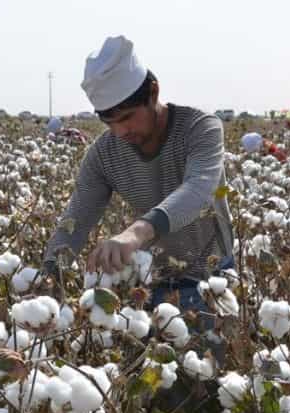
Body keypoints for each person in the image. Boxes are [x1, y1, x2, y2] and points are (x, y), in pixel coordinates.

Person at [42, 35, 234, 317]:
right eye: (109, 122)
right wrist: (47, 275)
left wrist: (135, 233)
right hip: (153, 280)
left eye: (128, 117)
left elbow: (199, 191)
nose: (121, 131)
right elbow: (77, 219)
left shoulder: (200, 128)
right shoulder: (104, 154)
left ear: (153, 93)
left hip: (212, 278)